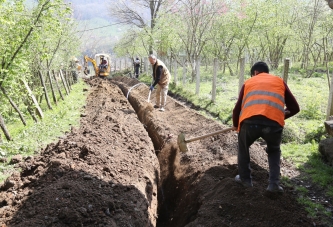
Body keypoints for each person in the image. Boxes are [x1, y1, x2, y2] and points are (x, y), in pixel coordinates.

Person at [232, 61, 300, 194]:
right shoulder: (279, 81)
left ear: (255, 73)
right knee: (274, 151)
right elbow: (295, 108)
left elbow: (237, 109)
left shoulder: (249, 82)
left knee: (243, 147)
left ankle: (245, 180)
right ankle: (273, 185)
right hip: (274, 125)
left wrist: (235, 125)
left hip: (250, 122)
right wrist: (278, 116)